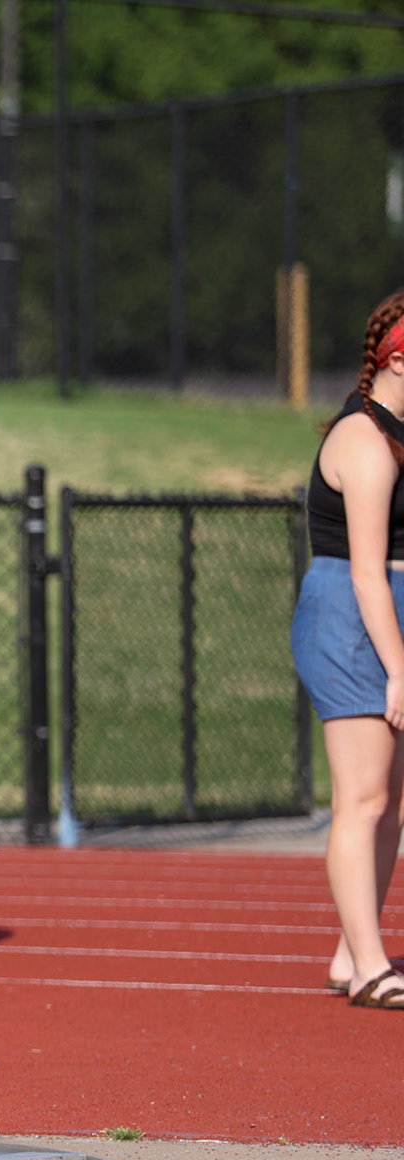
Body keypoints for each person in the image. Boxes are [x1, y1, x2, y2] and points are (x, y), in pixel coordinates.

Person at [292, 288, 404, 1010]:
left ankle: (349, 950)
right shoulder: (363, 439)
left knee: (392, 801)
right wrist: (400, 668)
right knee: (361, 799)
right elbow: (367, 571)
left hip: (390, 612)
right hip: (354, 617)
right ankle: (369, 965)